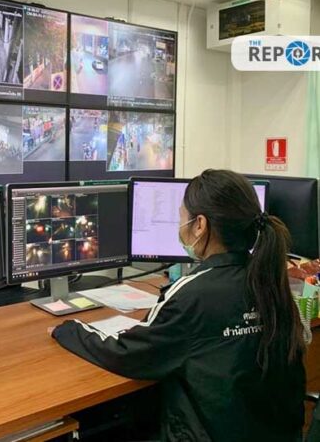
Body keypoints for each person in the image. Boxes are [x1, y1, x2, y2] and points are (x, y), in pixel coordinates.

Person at [52, 169, 306, 441]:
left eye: (181, 216)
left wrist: (69, 329)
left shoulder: (193, 294)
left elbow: (126, 353)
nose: (179, 225)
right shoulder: (272, 282)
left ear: (200, 225)